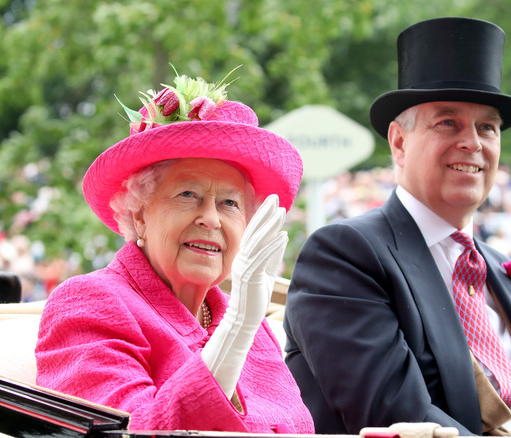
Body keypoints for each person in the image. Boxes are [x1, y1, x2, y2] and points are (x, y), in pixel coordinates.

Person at [283, 17, 511, 436]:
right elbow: (395, 415)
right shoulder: (346, 255)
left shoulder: (510, 274)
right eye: (448, 123)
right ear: (399, 142)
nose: (472, 142)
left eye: (487, 127)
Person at [35, 70, 314, 433]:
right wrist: (236, 329)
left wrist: (242, 322)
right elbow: (131, 432)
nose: (211, 219)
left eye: (229, 203)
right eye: (188, 195)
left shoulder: (247, 321)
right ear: (139, 213)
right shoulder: (87, 303)